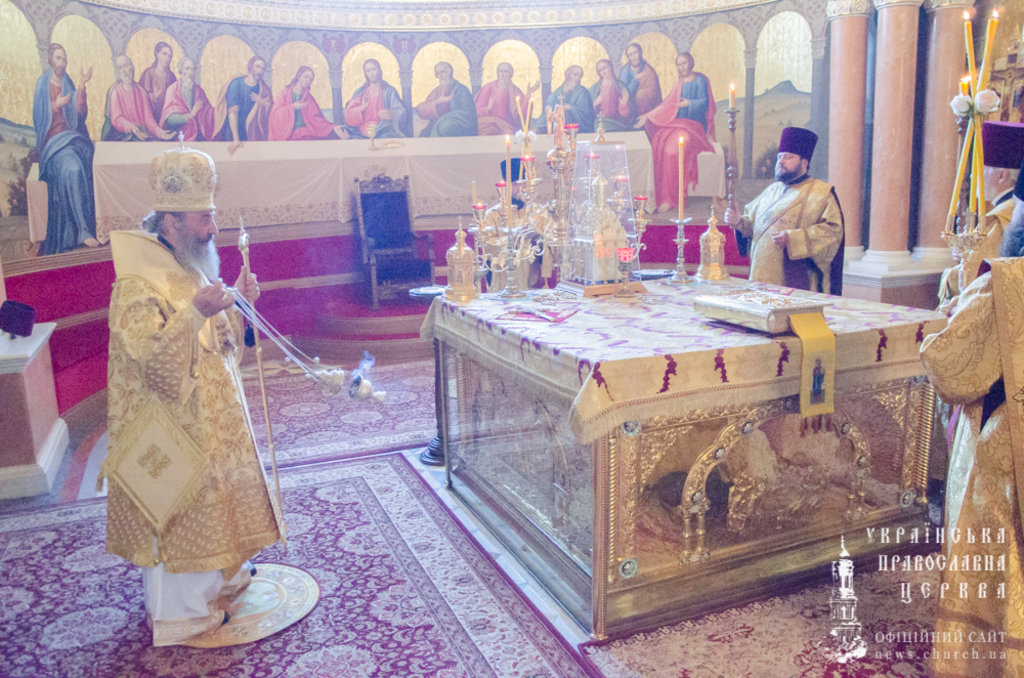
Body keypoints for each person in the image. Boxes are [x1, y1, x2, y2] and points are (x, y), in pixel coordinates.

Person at [101, 145, 282, 646]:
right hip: (171, 430)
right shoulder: (137, 278)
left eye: (213, 216)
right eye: (204, 218)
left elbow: (218, 343)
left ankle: (222, 579)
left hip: (210, 419)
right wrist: (197, 312)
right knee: (185, 506)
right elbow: (148, 359)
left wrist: (237, 301)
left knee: (219, 495)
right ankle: (181, 613)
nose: (213, 229)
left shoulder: (188, 263)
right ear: (172, 220)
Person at [921, 191, 1024, 677]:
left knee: (998, 548)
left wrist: (946, 321)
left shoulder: (1006, 283)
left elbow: (953, 367)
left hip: (1005, 443)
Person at [723, 127, 845, 294]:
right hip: (759, 280)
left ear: (804, 162)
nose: (781, 161)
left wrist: (793, 239)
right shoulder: (771, 190)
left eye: (788, 157)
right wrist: (738, 221)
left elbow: (833, 233)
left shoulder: (821, 193)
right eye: (779, 157)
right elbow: (751, 226)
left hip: (795, 282)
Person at [938, 120, 1024, 307]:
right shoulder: (1008, 211)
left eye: (979, 169)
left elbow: (973, 277)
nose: (972, 176)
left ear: (1001, 175)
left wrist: (951, 273)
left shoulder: (1000, 218)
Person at [32, 43, 99, 255]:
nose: (62, 62)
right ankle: (82, 231)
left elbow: (79, 115)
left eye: (64, 58)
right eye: (58, 58)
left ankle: (92, 226)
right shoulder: (42, 83)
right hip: (54, 144)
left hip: (72, 139)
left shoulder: (68, 82)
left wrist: (82, 85)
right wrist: (55, 106)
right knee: (74, 169)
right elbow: (39, 117)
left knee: (90, 161)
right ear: (51, 60)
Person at [637, 52, 715, 213]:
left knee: (672, 151)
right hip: (677, 124)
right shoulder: (679, 83)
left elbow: (705, 103)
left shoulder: (699, 80)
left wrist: (689, 103)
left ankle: (673, 198)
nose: (682, 67)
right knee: (658, 142)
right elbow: (668, 104)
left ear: (690, 63)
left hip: (694, 127)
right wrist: (648, 116)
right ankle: (662, 196)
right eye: (679, 64)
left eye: (684, 63)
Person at [102, 55, 175, 142]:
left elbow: (148, 118)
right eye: (120, 68)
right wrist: (132, 128)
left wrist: (160, 133)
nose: (124, 71)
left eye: (126, 65)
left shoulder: (141, 92)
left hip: (142, 132)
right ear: (118, 72)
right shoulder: (115, 92)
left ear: (132, 67)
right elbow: (117, 119)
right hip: (125, 136)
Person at [268, 66, 348, 141]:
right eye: (306, 77)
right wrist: (293, 107)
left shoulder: (309, 98)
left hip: (308, 132)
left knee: (335, 134)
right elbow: (275, 115)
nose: (308, 81)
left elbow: (318, 119)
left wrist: (333, 127)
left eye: (310, 79)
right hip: (290, 133)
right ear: (298, 76)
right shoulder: (284, 94)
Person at [214, 55, 272, 153]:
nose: (260, 71)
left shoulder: (264, 88)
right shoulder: (236, 83)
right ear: (250, 66)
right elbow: (232, 112)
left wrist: (261, 101)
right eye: (257, 67)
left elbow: (270, 108)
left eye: (262, 69)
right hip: (233, 131)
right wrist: (236, 139)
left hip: (252, 133)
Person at [342, 59, 409, 138]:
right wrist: (362, 107)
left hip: (383, 131)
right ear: (365, 74)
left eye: (373, 69)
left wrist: (392, 114)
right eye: (368, 71)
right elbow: (348, 114)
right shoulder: (360, 92)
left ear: (379, 71)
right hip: (360, 134)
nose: (371, 74)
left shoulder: (389, 91)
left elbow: (401, 111)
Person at [159, 57, 216, 141]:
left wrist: (219, 112)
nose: (190, 72)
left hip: (198, 134)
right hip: (179, 134)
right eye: (187, 68)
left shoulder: (199, 91)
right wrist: (190, 115)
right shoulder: (172, 90)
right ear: (181, 70)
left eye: (192, 69)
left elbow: (209, 113)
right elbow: (169, 118)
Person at [416, 61, 477, 137]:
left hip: (460, 125)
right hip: (438, 123)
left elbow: (467, 114)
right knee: (423, 135)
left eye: (443, 72)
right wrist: (438, 101)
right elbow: (420, 109)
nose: (441, 76)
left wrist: (446, 118)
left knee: (445, 126)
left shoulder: (461, 90)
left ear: (450, 72)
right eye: (438, 73)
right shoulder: (437, 90)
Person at [475, 62, 536, 136]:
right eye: (500, 71)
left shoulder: (515, 91)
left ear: (511, 75)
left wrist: (528, 94)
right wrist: (487, 108)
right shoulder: (487, 88)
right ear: (497, 73)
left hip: (509, 127)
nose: (502, 74)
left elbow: (521, 115)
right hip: (489, 124)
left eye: (506, 72)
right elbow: (475, 112)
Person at [544, 65, 594, 133]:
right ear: (567, 76)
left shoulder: (583, 92)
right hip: (559, 132)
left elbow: (587, 114)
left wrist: (570, 107)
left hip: (579, 132)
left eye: (580, 76)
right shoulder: (555, 94)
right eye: (575, 74)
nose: (577, 78)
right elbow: (548, 112)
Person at [618, 43, 662, 117]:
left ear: (640, 53)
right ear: (628, 57)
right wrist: (636, 80)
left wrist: (641, 94)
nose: (634, 57)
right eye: (630, 55)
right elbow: (623, 92)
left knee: (642, 94)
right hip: (629, 107)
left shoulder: (648, 70)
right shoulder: (625, 71)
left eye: (635, 52)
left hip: (647, 108)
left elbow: (654, 93)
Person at [590, 58, 633, 131]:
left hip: (618, 123)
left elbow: (627, 115)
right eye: (600, 70)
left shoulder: (620, 86)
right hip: (600, 122)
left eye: (604, 68)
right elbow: (587, 112)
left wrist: (623, 104)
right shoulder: (595, 88)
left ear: (610, 67)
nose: (603, 72)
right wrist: (595, 103)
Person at [138, 41, 176, 123]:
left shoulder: (171, 76)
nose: (167, 58)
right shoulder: (148, 73)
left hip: (166, 117)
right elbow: (141, 98)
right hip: (149, 117)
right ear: (157, 54)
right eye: (164, 54)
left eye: (170, 56)